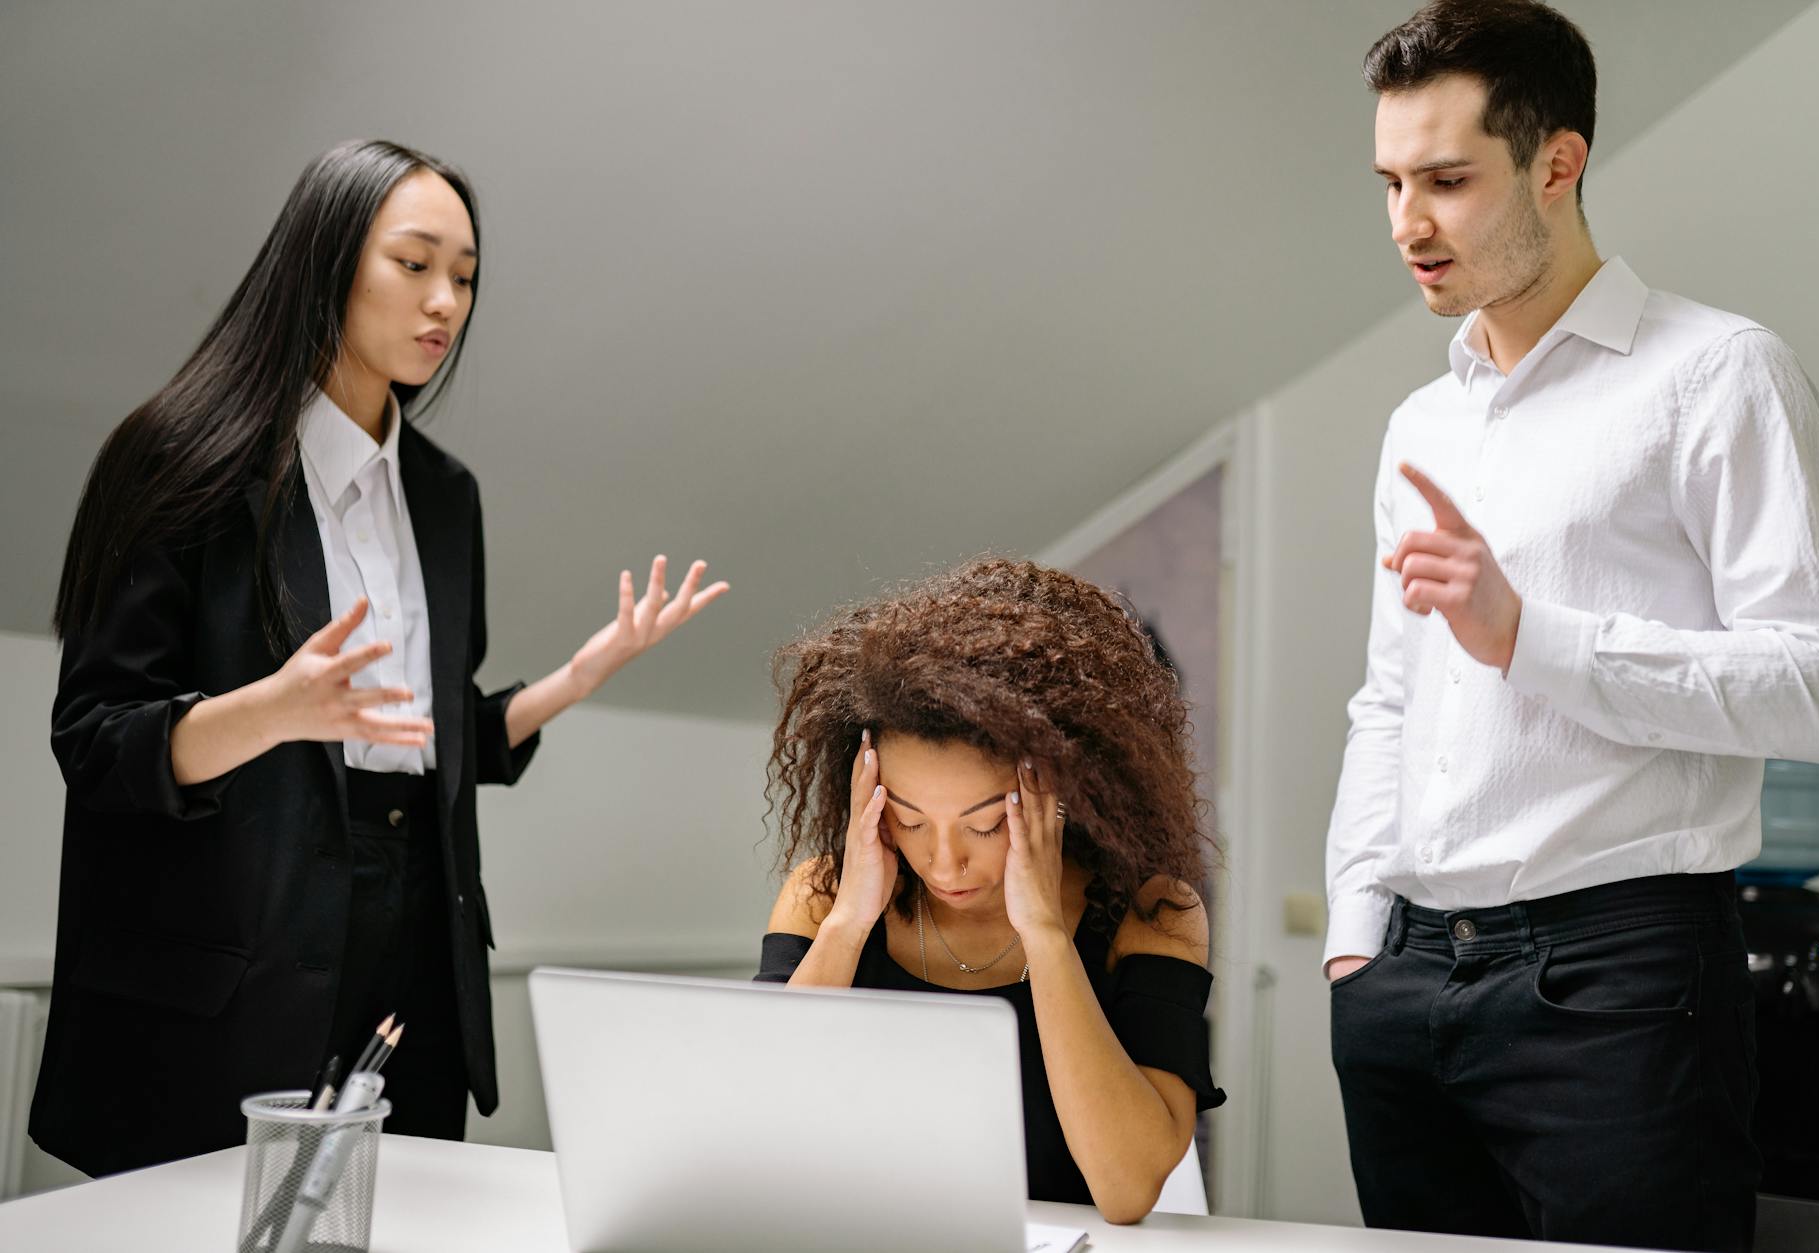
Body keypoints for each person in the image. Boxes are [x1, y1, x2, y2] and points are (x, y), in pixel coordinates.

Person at [34, 139, 728, 1177]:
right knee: (223, 1217)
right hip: (237, 942)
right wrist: (273, 709)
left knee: (399, 1209)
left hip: (414, 941)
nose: (445, 301)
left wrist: (575, 679)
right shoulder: (178, 457)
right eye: (414, 263)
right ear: (326, 262)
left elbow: (426, 739)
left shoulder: (445, 494)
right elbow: (95, 741)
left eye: (465, 276)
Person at [1323, 3, 1819, 1249]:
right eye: (1390, 183)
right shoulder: (1422, 424)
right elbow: (1389, 699)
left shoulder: (1717, 374)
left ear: (1556, 163)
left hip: (1620, 983)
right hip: (1404, 981)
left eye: (1446, 180)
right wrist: (1356, 942)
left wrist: (1530, 634)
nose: (1406, 223)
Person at [755, 557, 1224, 1224]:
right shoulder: (823, 897)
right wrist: (848, 925)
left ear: (1061, 791)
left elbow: (1125, 1191)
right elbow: (755, 1122)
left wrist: (1046, 934)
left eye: (984, 824)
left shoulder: (1153, 914)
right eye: (910, 819)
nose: (944, 862)